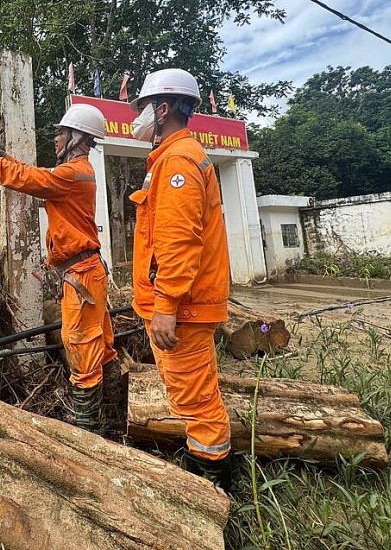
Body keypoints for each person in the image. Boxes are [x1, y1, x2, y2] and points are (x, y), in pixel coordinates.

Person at [0, 103, 122, 434]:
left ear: (77, 138)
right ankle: (113, 420)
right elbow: (38, 178)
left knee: (82, 351)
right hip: (87, 272)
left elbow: (29, 180)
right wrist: (4, 157)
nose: (56, 139)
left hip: (83, 276)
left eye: (61, 133)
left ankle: (86, 430)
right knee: (102, 348)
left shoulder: (73, 174)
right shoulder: (76, 173)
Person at [128, 68, 233, 489]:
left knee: (197, 401)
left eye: (144, 108)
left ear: (164, 108)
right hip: (182, 304)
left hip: (182, 308)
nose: (137, 117)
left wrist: (166, 306)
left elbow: (177, 241)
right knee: (190, 393)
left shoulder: (177, 161)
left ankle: (214, 483)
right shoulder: (178, 156)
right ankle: (207, 469)